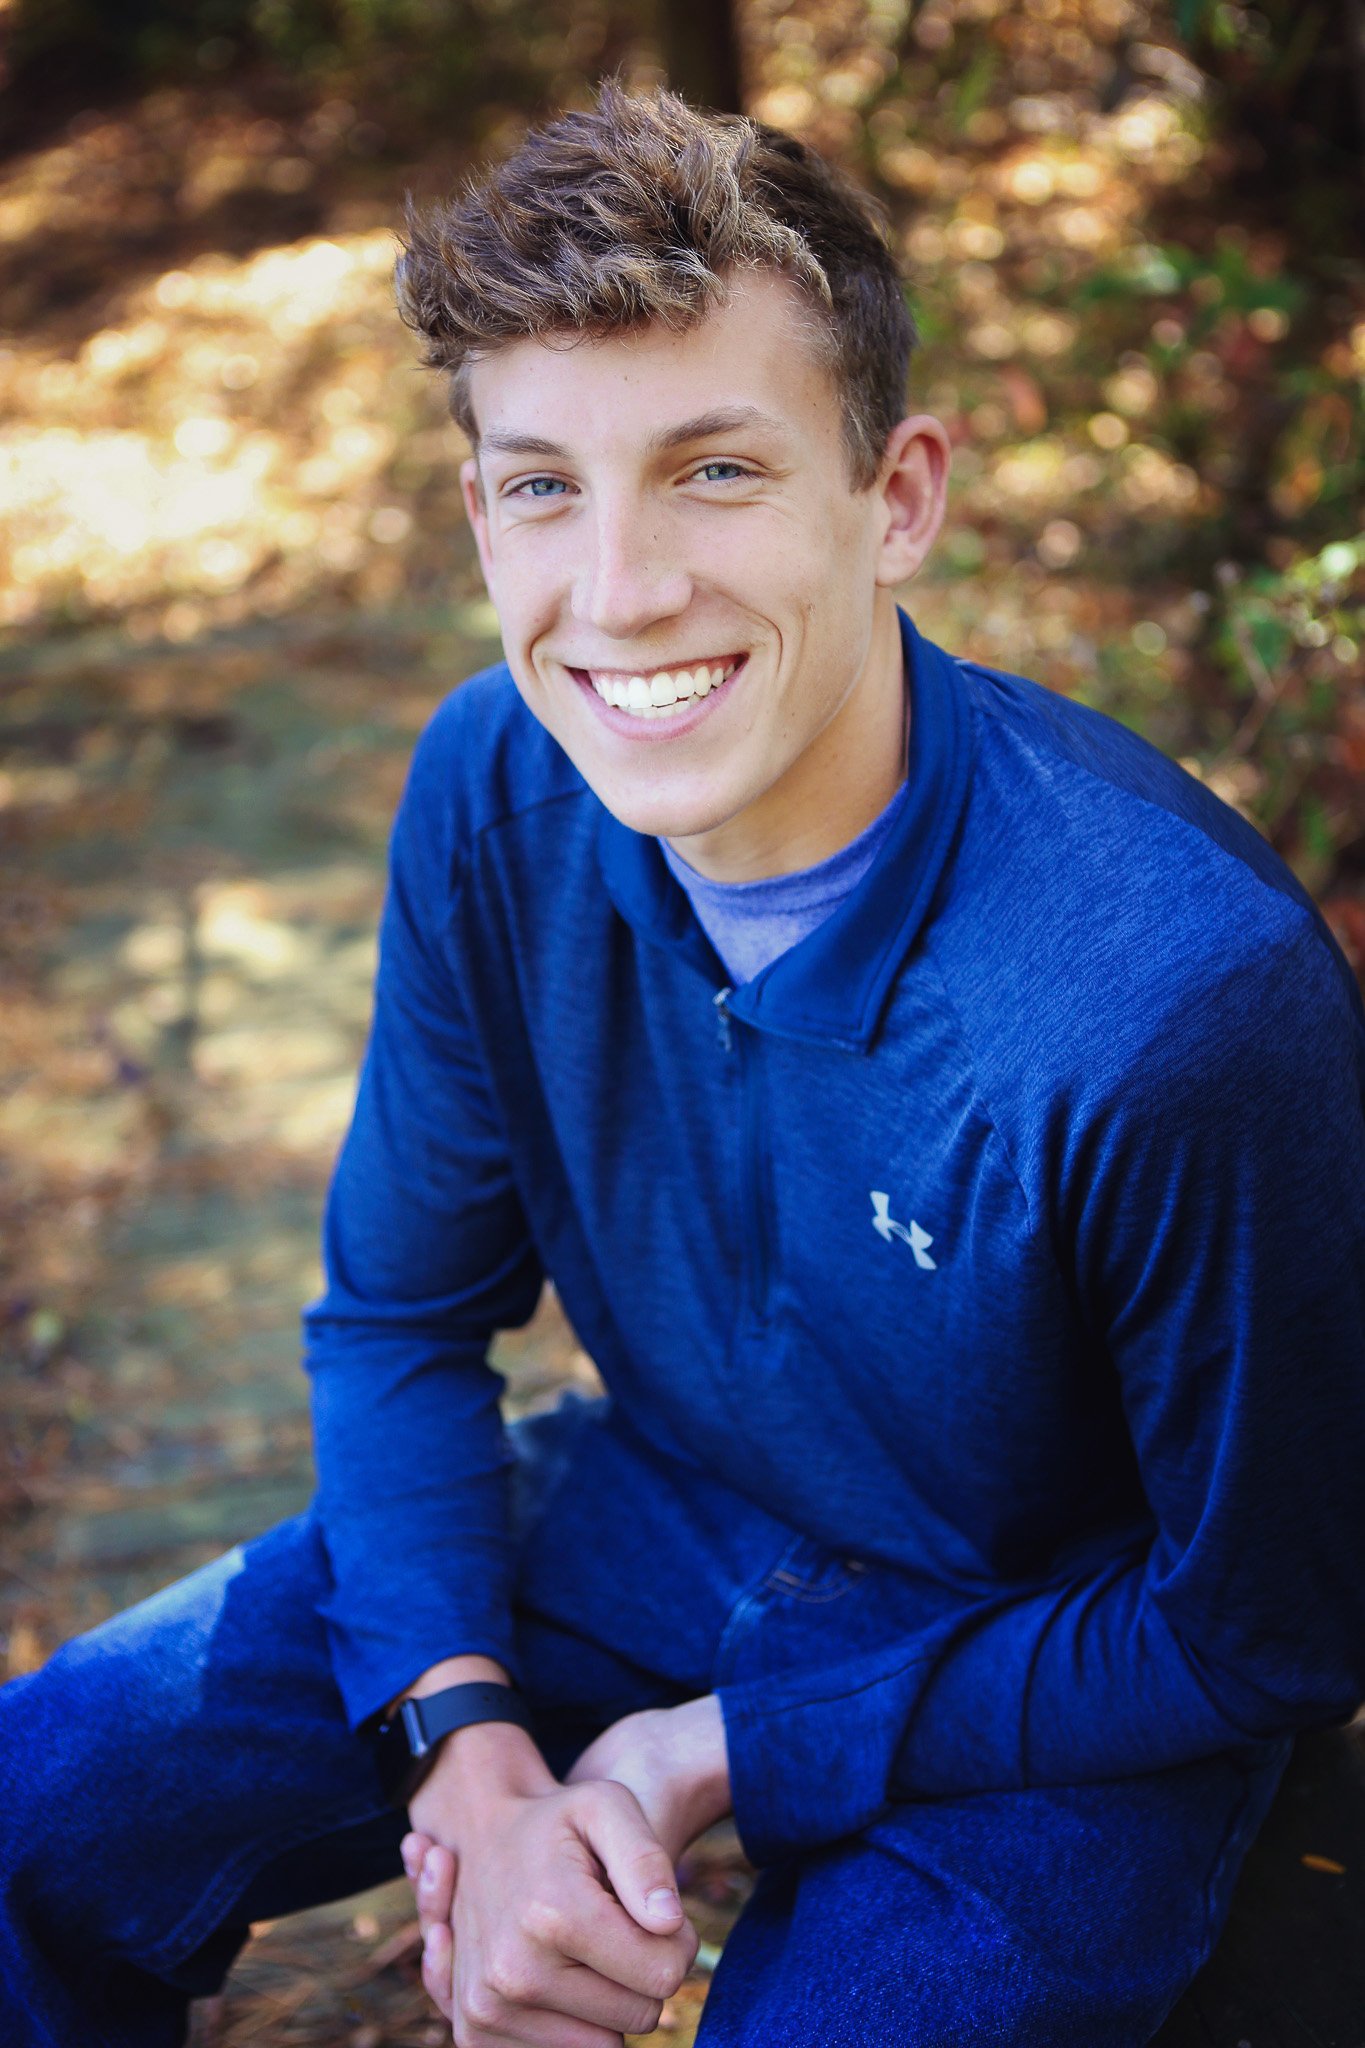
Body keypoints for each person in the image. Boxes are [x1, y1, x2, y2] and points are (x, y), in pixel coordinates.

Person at [2, 81, 1364, 2048]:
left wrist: (709, 1751)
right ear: (479, 513)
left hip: (1040, 1664)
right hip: (656, 1513)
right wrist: (462, 1748)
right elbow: (395, 1315)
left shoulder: (1171, 1003)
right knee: (35, 1808)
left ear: (894, 496)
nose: (619, 590)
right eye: (544, 483)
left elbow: (1263, 1625)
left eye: (713, 470)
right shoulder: (492, 790)